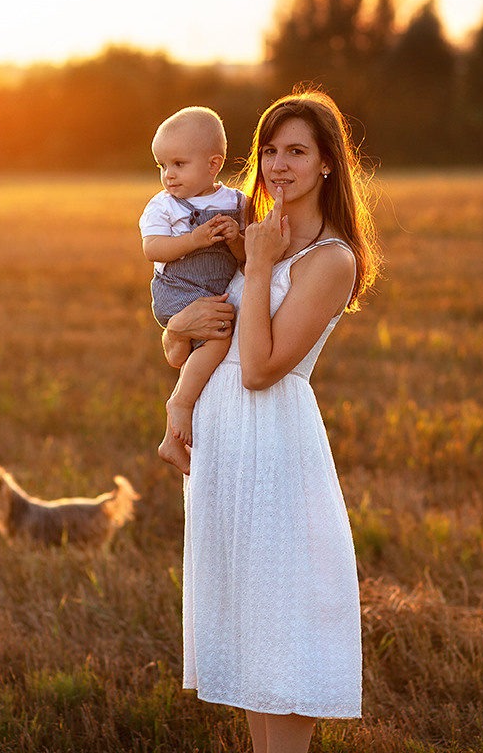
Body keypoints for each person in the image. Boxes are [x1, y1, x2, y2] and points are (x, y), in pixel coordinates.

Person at [163, 89, 381, 753]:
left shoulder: (331, 259)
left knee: (283, 629)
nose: (279, 165)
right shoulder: (256, 233)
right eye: (270, 150)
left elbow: (259, 368)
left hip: (274, 446)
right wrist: (176, 331)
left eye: (297, 151)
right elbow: (194, 342)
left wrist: (257, 266)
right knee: (250, 637)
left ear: (327, 163)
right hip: (225, 446)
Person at [139, 106, 246, 474]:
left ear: (214, 164)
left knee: (208, 341)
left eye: (179, 164)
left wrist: (236, 239)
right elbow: (153, 249)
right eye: (162, 166)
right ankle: (180, 403)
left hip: (211, 290)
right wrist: (193, 239)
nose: (168, 175)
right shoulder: (164, 205)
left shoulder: (236, 202)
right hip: (177, 288)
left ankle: (171, 438)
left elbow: (245, 258)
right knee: (218, 336)